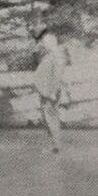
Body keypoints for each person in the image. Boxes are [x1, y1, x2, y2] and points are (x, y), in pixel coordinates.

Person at [30, 26, 67, 154]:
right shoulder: (51, 55)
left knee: (51, 118)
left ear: (52, 42)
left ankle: (56, 147)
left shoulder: (55, 56)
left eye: (46, 42)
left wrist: (52, 92)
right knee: (48, 118)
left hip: (50, 92)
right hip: (46, 91)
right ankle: (54, 145)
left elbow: (57, 75)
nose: (44, 44)